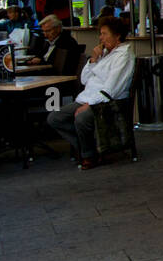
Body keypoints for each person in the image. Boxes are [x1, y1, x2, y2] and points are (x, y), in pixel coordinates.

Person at [46, 16, 134, 170]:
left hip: (109, 102)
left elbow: (112, 88)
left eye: (105, 34)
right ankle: (90, 146)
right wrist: (93, 59)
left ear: (117, 35)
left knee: (81, 117)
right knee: (55, 118)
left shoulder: (124, 56)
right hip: (89, 97)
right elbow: (84, 80)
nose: (101, 38)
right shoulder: (104, 53)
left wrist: (89, 105)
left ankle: (89, 155)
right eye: (100, 34)